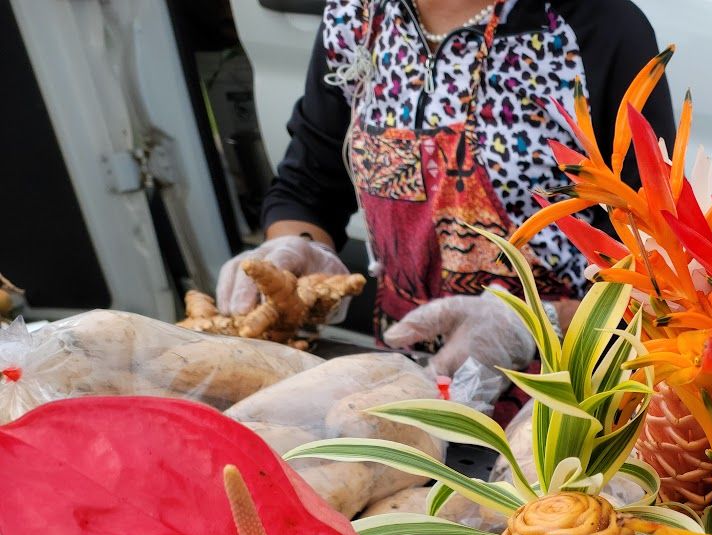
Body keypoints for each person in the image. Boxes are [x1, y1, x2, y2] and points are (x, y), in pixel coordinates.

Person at [216, 0, 673, 400]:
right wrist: (296, 253)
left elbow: (659, 270)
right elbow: (307, 190)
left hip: (563, 397)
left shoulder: (596, 28)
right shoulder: (357, 19)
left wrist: (532, 325)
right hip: (403, 383)